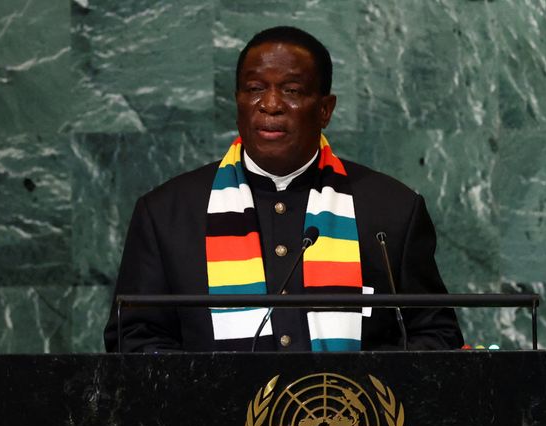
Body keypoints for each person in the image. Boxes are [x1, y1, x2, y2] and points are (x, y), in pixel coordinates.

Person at [104, 26, 463, 353]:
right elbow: (135, 338)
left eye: (291, 91)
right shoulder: (167, 214)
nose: (271, 105)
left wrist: (363, 385)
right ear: (238, 102)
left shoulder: (391, 210)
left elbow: (436, 336)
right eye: (255, 89)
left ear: (325, 109)